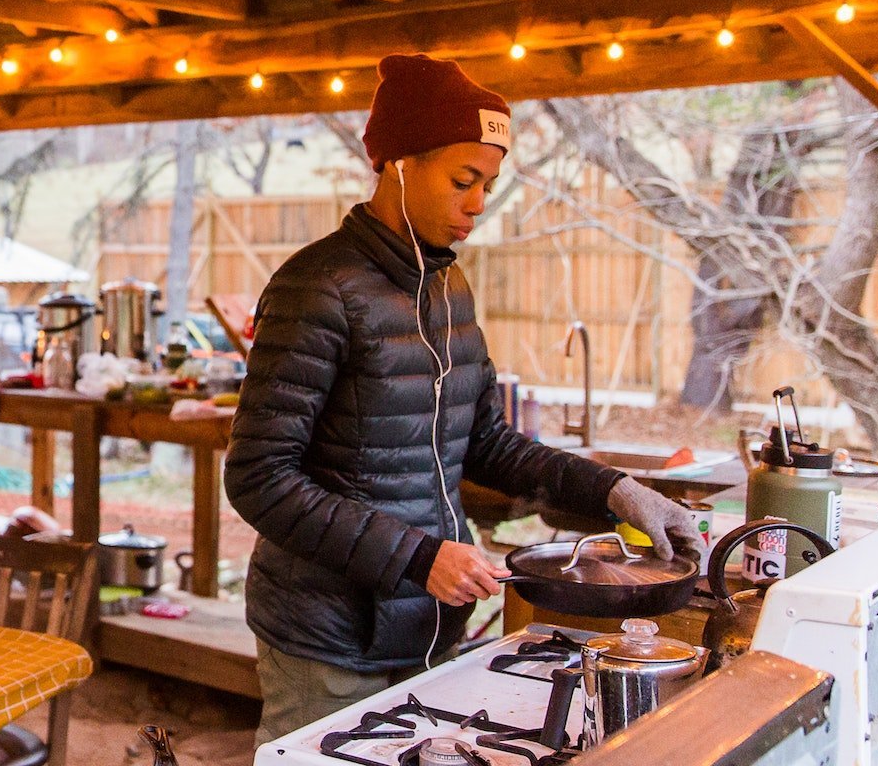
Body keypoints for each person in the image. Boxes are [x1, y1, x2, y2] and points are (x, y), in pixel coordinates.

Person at [224, 53, 704, 745]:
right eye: (463, 179)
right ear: (399, 164)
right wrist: (420, 557)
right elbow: (258, 479)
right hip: (331, 636)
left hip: (427, 622)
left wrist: (616, 492)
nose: (479, 201)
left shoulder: (448, 289)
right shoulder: (316, 289)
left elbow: (487, 444)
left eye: (489, 183)